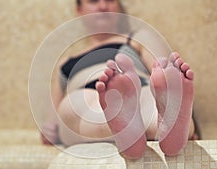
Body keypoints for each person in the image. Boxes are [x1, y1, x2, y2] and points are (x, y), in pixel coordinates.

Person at [41, 0, 198, 160]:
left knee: (151, 101)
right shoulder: (65, 62)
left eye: (109, 0)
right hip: (86, 97)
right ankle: (147, 127)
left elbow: (166, 75)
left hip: (137, 90)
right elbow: (52, 119)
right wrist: (48, 131)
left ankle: (144, 126)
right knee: (72, 107)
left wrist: (172, 97)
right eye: (93, 1)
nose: (103, 6)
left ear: (118, 6)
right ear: (79, 9)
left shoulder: (136, 38)